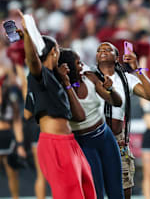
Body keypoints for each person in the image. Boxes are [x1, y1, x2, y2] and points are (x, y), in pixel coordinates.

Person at [18, 10, 96, 199]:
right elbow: (32, 61)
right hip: (54, 143)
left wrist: (66, 82)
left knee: (88, 192)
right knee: (69, 195)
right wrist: (28, 35)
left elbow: (78, 116)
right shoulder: (39, 76)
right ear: (54, 51)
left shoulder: (56, 78)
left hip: (70, 143)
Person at [58, 48, 125, 199]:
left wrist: (111, 89)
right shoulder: (62, 91)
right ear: (67, 67)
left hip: (105, 137)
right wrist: (67, 85)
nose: (82, 65)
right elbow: (78, 116)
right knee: (95, 194)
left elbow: (116, 102)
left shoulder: (90, 77)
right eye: (77, 63)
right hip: (84, 143)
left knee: (116, 192)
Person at [96, 42, 150, 199]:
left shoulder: (126, 79)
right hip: (94, 138)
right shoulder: (89, 76)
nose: (102, 51)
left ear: (117, 58)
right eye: (99, 50)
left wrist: (137, 68)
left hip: (118, 140)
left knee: (124, 189)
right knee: (95, 189)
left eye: (107, 49)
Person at [0, 66, 26, 199]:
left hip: (7, 136)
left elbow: (17, 122)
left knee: (12, 174)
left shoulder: (10, 95)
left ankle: (15, 197)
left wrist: (20, 144)